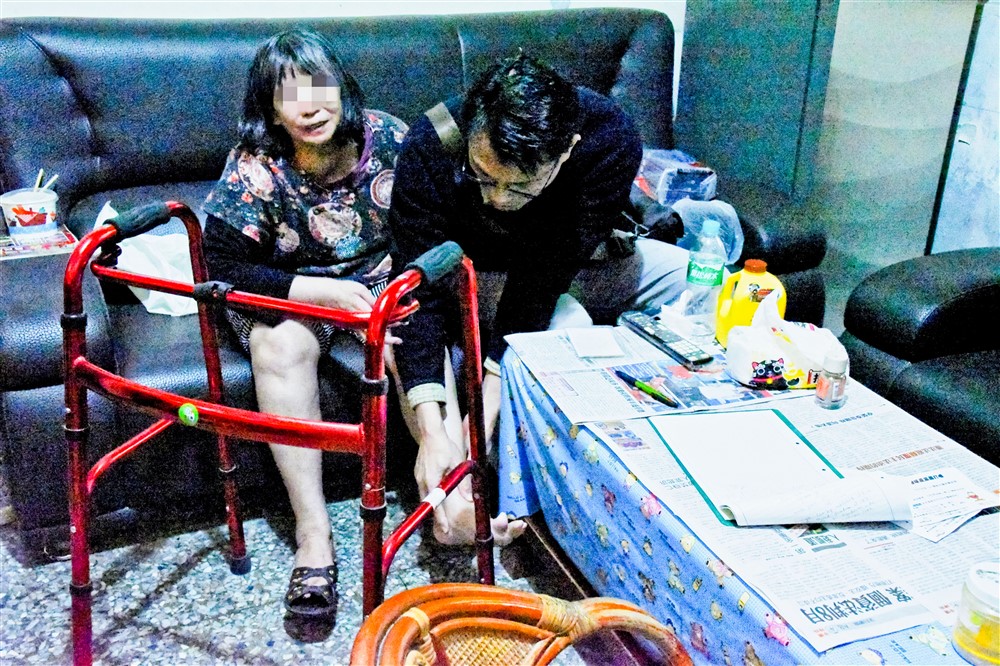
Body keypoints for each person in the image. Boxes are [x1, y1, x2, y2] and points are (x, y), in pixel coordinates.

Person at [389, 53, 690, 546]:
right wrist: (436, 431)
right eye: (484, 175)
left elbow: (543, 276)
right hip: (470, 272)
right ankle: (456, 499)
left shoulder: (610, 139)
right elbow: (419, 292)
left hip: (562, 265)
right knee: (566, 324)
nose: (498, 199)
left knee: (701, 280)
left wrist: (482, 414)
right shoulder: (430, 144)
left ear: (567, 150)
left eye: (520, 186)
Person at [202, 29, 407, 620]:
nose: (310, 107)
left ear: (342, 88)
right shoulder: (256, 165)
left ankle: (449, 493)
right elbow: (222, 264)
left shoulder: (390, 138)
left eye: (320, 88)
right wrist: (323, 294)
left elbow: (430, 223)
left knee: (413, 334)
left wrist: (384, 299)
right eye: (289, 96)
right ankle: (313, 535)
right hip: (292, 288)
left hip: (380, 281)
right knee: (280, 345)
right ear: (270, 110)